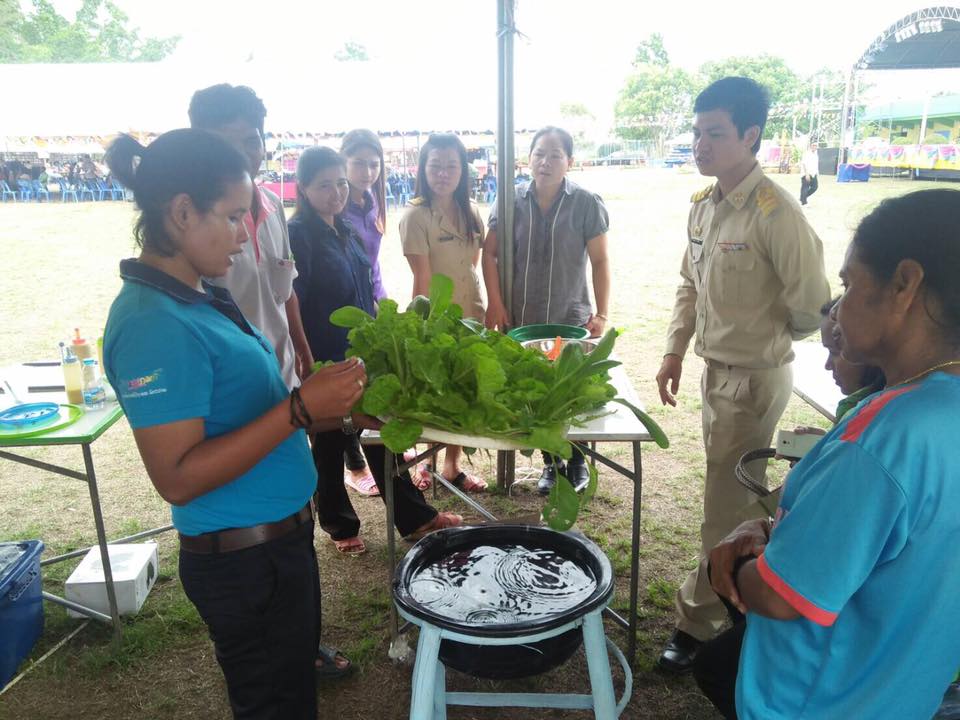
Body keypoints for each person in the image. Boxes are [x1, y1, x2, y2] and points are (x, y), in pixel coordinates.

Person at [102, 129, 369, 719]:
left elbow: (249, 409)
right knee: (274, 705)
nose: (245, 235)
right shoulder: (153, 323)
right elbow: (177, 477)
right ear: (181, 212)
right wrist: (300, 410)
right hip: (244, 562)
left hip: (275, 545)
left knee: (290, 696)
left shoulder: (199, 295)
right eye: (231, 217)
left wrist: (337, 405)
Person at [693, 188, 960, 720]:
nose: (838, 307)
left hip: (818, 701)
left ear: (904, 284)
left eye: (849, 283)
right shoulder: (939, 411)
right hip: (902, 695)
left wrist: (738, 564)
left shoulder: (884, 440)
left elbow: (782, 595)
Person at [655, 76, 831, 673]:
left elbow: (812, 305)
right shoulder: (705, 206)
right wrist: (674, 350)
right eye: (696, 132)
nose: (700, 145)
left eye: (715, 133)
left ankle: (697, 623)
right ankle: (743, 599)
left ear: (751, 135)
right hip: (715, 375)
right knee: (733, 497)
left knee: (725, 507)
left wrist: (764, 336)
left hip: (754, 377)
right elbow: (689, 283)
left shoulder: (775, 213)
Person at [289, 146, 460, 552]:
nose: (336, 193)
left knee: (382, 429)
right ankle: (339, 525)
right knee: (329, 442)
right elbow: (291, 301)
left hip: (360, 351)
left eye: (340, 183)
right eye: (325, 185)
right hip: (323, 352)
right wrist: (306, 359)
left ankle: (414, 517)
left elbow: (365, 286)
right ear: (303, 188)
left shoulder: (345, 228)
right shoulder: (299, 235)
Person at [481, 125, 611, 495]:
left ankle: (577, 461)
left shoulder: (586, 203)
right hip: (523, 318)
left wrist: (602, 313)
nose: (546, 162)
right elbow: (489, 254)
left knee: (571, 392)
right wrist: (495, 302)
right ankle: (551, 464)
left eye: (555, 155)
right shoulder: (510, 201)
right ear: (529, 158)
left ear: (569, 161)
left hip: (569, 317)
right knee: (536, 393)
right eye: (539, 154)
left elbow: (600, 261)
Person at [188, 83, 313, 389]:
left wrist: (303, 350)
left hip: (285, 378)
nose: (241, 155)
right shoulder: (194, 220)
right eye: (224, 144)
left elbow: (286, 291)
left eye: (251, 141)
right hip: (234, 387)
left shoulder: (273, 205)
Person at [400, 133, 488, 493]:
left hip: (473, 315)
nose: (443, 173)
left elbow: (473, 264)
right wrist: (422, 328)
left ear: (462, 170)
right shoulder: (415, 216)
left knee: (463, 390)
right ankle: (427, 463)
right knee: (436, 392)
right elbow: (421, 278)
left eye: (451, 165)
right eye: (435, 165)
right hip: (439, 318)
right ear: (423, 169)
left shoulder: (472, 211)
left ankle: (452, 466)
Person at [338, 129, 388, 497]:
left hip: (371, 299)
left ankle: (367, 454)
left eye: (374, 164)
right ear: (343, 162)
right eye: (358, 163)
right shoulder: (337, 205)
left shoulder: (372, 200)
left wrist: (380, 300)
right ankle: (354, 464)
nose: (367, 172)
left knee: (369, 381)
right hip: (345, 304)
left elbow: (373, 261)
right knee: (347, 387)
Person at [799, 137, 819, 206]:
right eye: (813, 145)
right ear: (810, 146)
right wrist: (806, 174)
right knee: (805, 188)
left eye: (815, 146)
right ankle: (804, 202)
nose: (814, 147)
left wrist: (817, 173)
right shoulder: (806, 153)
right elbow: (804, 164)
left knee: (815, 187)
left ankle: (802, 198)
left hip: (813, 174)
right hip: (806, 174)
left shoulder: (816, 154)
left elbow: (815, 164)